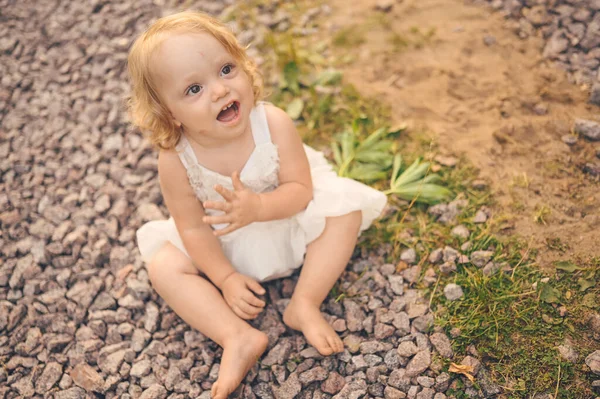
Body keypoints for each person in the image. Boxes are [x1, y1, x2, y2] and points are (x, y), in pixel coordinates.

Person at [127, 10, 387, 398]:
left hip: (288, 221)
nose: (219, 90)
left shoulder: (274, 123)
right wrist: (225, 278)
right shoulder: (175, 159)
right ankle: (236, 337)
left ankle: (304, 302)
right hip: (225, 246)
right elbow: (193, 227)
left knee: (345, 209)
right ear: (169, 114)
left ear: (245, 65)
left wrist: (260, 208)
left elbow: (301, 189)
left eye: (226, 69)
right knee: (163, 267)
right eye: (194, 90)